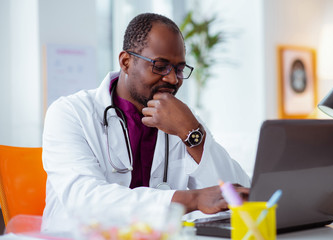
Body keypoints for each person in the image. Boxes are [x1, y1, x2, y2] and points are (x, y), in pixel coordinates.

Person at [42, 13, 250, 232]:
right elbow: (84, 200)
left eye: (179, 69)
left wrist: (192, 134)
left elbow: (239, 194)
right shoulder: (70, 113)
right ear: (126, 61)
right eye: (160, 66)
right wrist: (190, 199)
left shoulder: (183, 120)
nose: (172, 79)